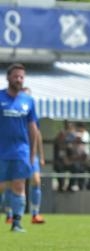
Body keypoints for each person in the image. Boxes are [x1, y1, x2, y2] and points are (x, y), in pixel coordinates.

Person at [0, 63, 38, 232]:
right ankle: (9, 214)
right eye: (16, 76)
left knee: (18, 186)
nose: (19, 79)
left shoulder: (28, 101)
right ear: (8, 78)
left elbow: (33, 129)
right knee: (2, 187)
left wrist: (32, 155)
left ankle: (16, 223)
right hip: (2, 151)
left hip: (21, 151)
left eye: (21, 77)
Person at [22, 87, 45, 224]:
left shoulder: (33, 114)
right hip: (16, 152)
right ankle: (10, 214)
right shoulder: (13, 111)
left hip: (32, 154)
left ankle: (35, 214)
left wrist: (40, 155)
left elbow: (37, 135)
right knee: (8, 185)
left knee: (36, 181)